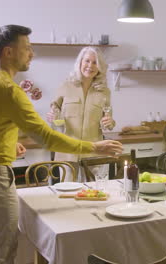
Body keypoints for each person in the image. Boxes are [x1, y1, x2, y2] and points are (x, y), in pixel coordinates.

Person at [0, 25, 123, 264]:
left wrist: (7, 143)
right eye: (27, 48)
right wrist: (94, 147)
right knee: (2, 252)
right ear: (9, 52)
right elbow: (47, 137)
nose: (32, 54)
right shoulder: (10, 90)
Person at [47, 47, 115, 181]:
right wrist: (53, 118)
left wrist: (110, 122)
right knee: (68, 192)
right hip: (67, 150)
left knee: (96, 193)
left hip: (94, 151)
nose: (90, 66)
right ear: (80, 63)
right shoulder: (66, 86)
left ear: (100, 67)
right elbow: (54, 112)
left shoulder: (104, 91)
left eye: (95, 62)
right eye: (87, 61)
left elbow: (108, 122)